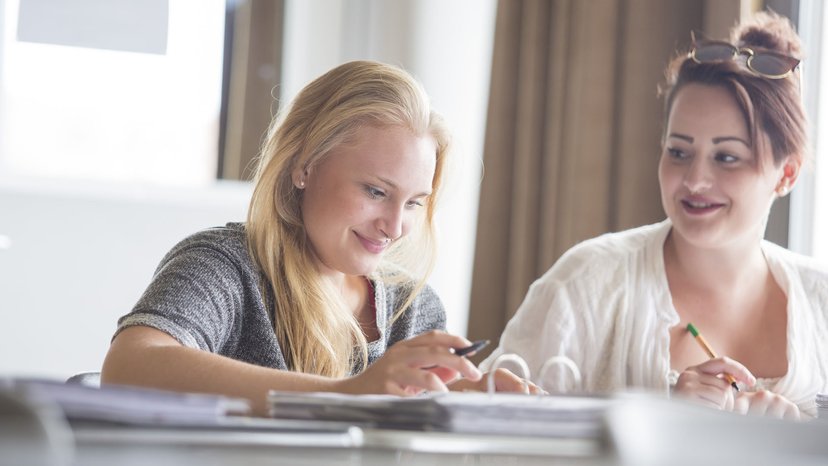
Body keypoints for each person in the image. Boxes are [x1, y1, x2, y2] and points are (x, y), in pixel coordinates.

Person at [102, 60, 529, 416]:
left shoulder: (412, 308)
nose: (395, 226)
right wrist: (349, 396)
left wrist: (466, 399)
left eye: (415, 203)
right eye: (376, 192)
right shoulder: (226, 266)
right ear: (304, 165)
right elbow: (128, 367)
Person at [481, 11, 827, 420]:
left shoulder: (821, 303)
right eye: (679, 152)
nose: (695, 180)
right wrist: (661, 423)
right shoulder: (586, 285)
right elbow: (491, 431)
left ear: (786, 173)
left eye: (727, 157)